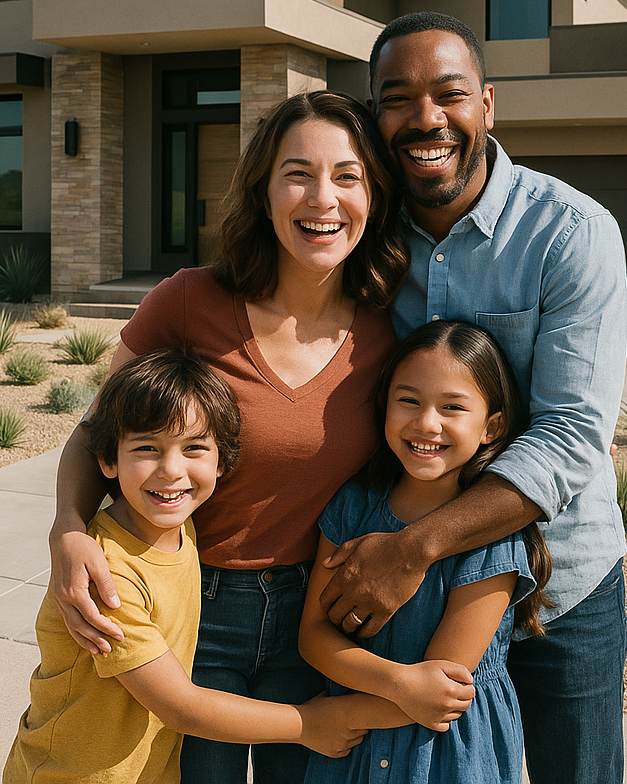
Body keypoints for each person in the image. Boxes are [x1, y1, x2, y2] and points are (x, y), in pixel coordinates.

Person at [47, 92, 474, 784]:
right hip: (193, 603)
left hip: (319, 618)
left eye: (347, 176)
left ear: (373, 197)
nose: (323, 198)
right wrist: (67, 529)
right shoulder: (189, 300)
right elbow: (95, 433)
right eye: (297, 174)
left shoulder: (390, 328)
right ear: (264, 191)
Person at [318, 13, 627, 784]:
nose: (425, 118)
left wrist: (413, 549)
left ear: (487, 103)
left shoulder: (570, 233)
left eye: (449, 94)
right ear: (374, 115)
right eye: (397, 98)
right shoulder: (361, 233)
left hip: (559, 588)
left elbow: (572, 435)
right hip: (409, 601)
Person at [5, 349, 369, 784]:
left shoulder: (179, 527)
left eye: (194, 448)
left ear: (222, 461)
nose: (171, 470)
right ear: (107, 460)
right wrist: (310, 724)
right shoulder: (107, 575)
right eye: (147, 448)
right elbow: (181, 708)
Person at [300, 320, 553, 784]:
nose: (426, 423)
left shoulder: (490, 537)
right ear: (385, 404)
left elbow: (442, 689)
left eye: (452, 407)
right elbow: (313, 635)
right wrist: (401, 684)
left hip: (445, 756)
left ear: (492, 427)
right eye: (409, 401)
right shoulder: (352, 506)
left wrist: (348, 710)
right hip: (350, 751)